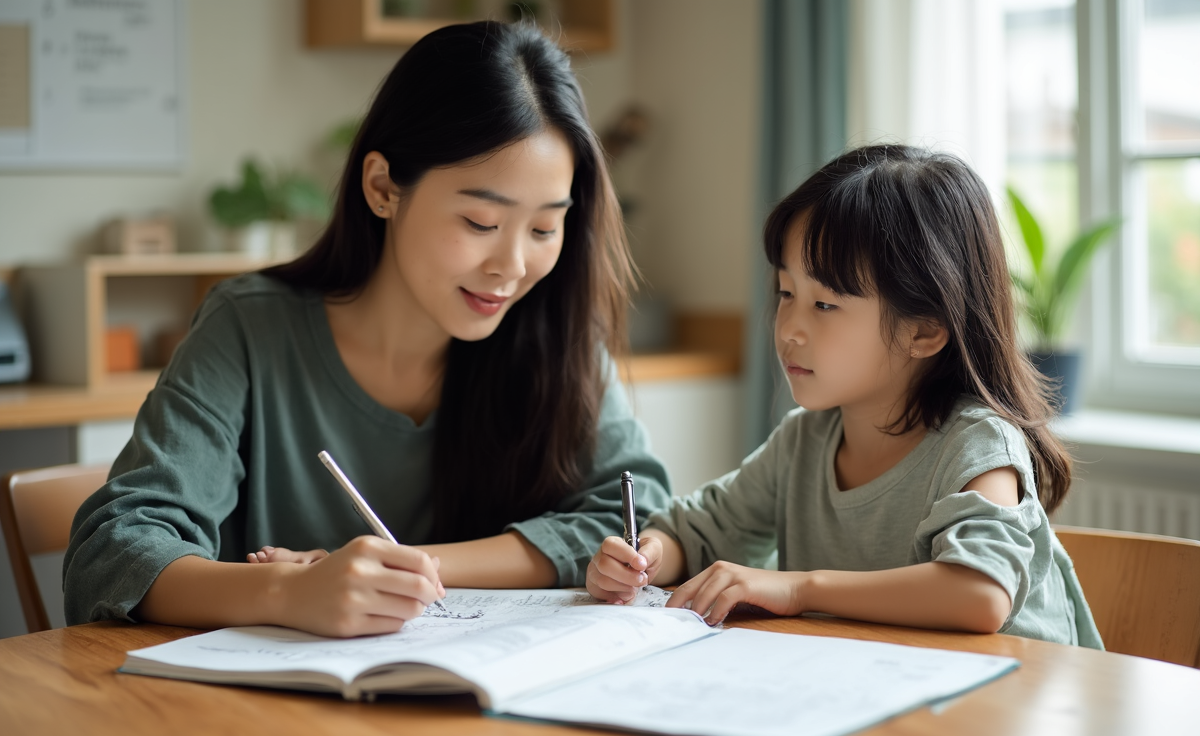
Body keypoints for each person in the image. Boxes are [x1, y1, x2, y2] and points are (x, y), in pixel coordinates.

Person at [64, 21, 670, 638]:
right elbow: (113, 553)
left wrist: (411, 570)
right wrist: (287, 592)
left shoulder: (553, 330)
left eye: (544, 229)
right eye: (481, 221)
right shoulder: (249, 328)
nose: (512, 268)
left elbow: (640, 517)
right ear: (383, 188)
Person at [586, 144, 1102, 647]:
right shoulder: (804, 443)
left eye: (826, 304)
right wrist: (645, 557)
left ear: (923, 331)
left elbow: (979, 592)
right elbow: (697, 530)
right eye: (786, 293)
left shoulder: (979, 444)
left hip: (1014, 708)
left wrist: (798, 588)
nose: (789, 328)